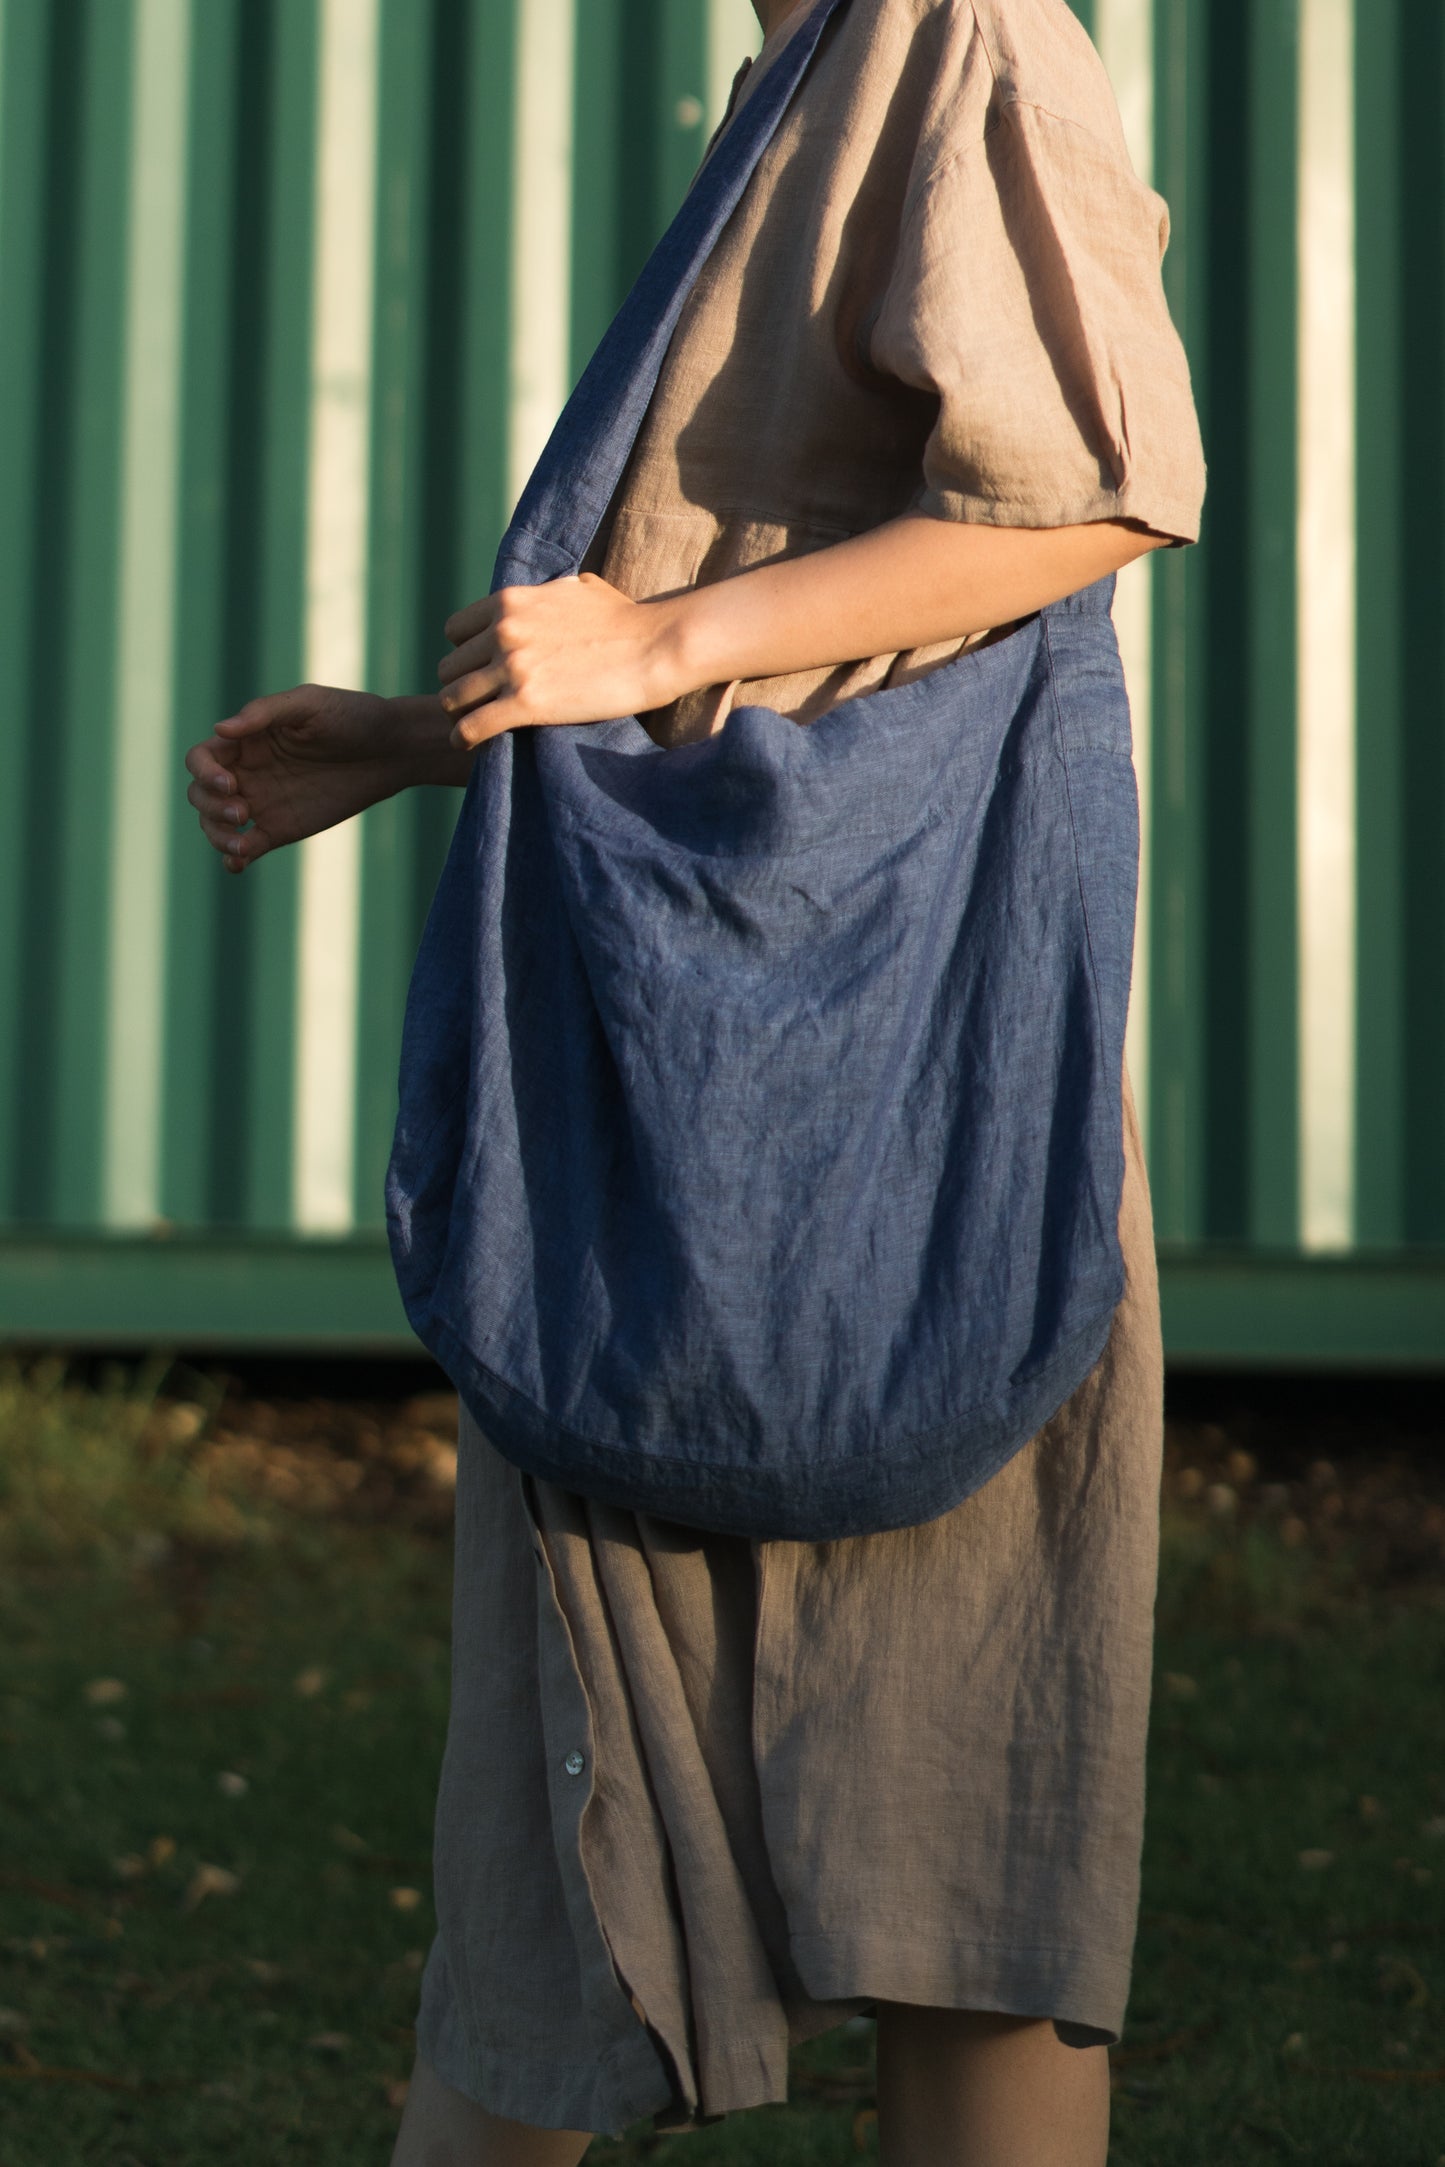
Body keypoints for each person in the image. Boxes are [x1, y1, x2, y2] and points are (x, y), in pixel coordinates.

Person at [185, 1, 1205, 2160]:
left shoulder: (967, 29)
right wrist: (421, 734)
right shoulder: (806, 66)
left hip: (908, 1107)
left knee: (968, 1901)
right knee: (560, 1876)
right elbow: (744, 582)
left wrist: (643, 653)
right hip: (701, 1096)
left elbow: (1102, 485)